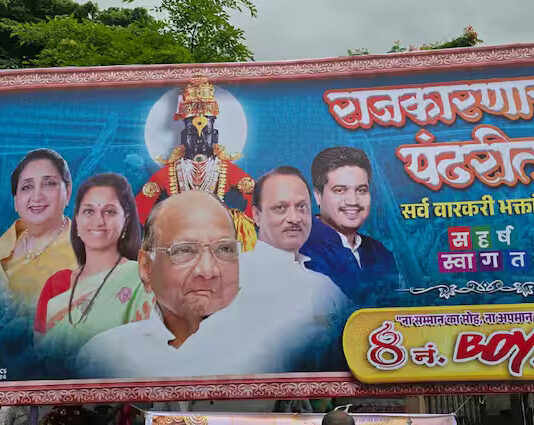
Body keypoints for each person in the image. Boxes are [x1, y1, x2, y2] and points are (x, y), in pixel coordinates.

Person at [76, 191, 240, 377]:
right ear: (147, 268)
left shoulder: (270, 353)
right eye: (185, 250)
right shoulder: (105, 357)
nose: (208, 271)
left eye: (225, 249)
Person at [34, 173, 153, 355]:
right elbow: (36, 360)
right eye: (89, 211)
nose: (99, 221)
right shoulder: (56, 284)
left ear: (126, 220)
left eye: (110, 211)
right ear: (77, 220)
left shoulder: (141, 277)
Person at [135, 76, 256, 250]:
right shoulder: (171, 173)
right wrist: (160, 229)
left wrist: (236, 223)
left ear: (215, 136)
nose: (199, 138)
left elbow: (257, 196)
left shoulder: (225, 170)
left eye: (205, 132)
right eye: (192, 132)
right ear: (184, 136)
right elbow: (141, 204)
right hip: (178, 243)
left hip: (216, 242)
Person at [300, 147, 399, 306]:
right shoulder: (302, 249)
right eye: (340, 190)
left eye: (361, 190)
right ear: (318, 196)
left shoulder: (379, 251)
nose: (353, 200)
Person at [0, 149, 77, 305]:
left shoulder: (86, 251)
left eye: (49, 184)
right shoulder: (7, 242)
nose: (36, 196)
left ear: (68, 193)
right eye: (26, 187)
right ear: (16, 201)